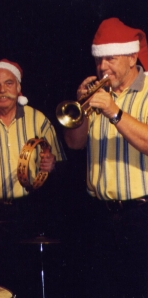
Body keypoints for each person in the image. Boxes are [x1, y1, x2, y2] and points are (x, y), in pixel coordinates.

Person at [64, 17, 148, 298]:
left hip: (141, 216)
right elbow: (74, 145)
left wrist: (114, 112)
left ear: (133, 55)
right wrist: (82, 107)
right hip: (100, 215)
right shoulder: (99, 94)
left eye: (110, 59)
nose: (102, 68)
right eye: (99, 60)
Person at [0, 59, 65, 296]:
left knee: (31, 281)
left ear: (18, 88)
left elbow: (59, 163)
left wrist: (51, 166)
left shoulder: (38, 119)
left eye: (8, 83)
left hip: (30, 212)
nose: (2, 90)